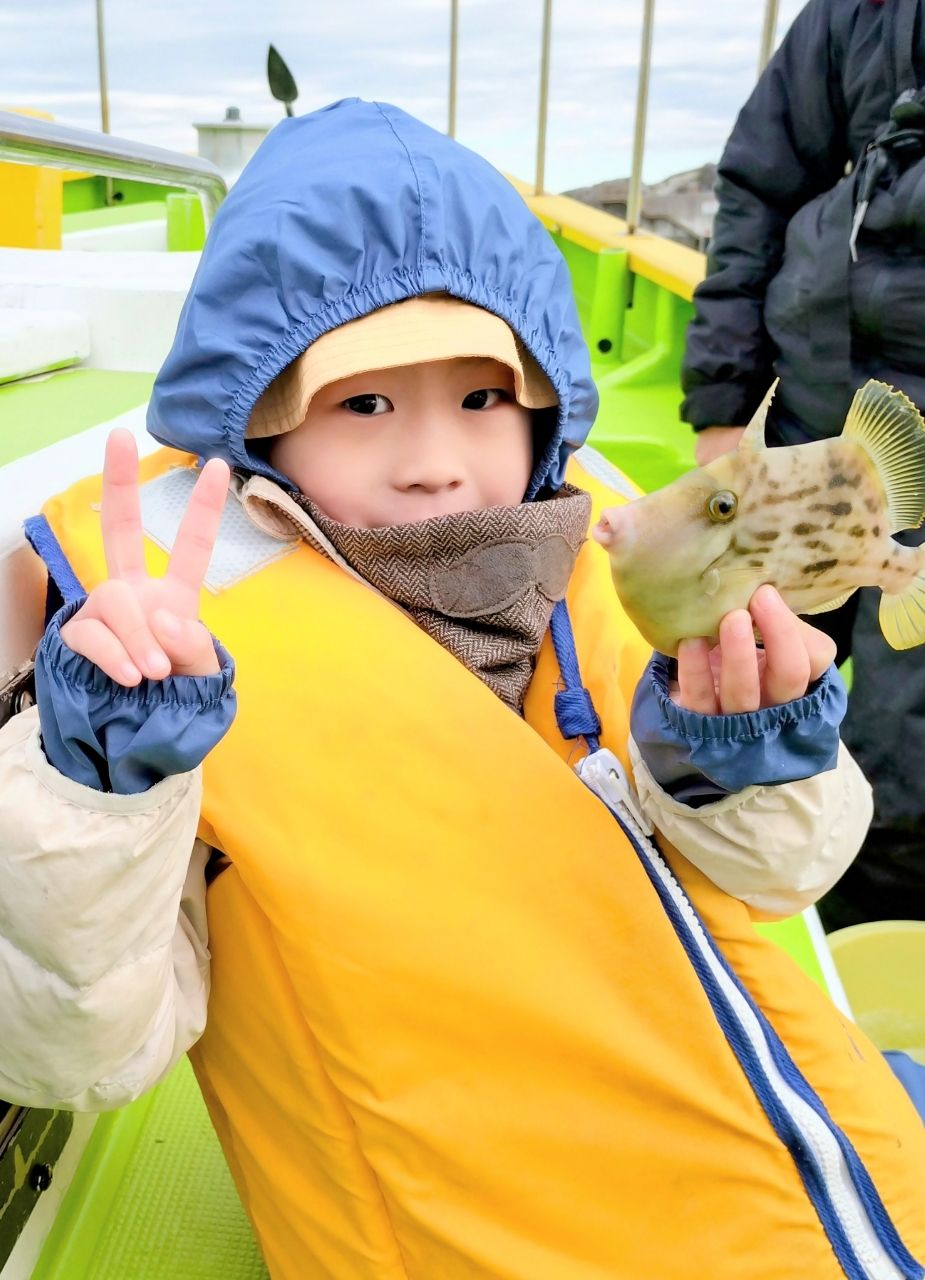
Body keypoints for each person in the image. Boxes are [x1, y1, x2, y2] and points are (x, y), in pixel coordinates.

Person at [0, 99, 923, 1279]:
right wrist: (102, 779)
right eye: (364, 402)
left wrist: (754, 751)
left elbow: (783, 873)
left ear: (542, 406)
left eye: (483, 397)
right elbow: (73, 1047)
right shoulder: (167, 664)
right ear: (259, 424)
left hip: (808, 1141)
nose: (436, 462)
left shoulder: (602, 554)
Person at [681, 0, 925, 928]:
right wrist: (722, 404)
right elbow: (756, 189)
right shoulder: (849, 16)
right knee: (743, 675)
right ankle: (740, 891)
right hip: (806, 423)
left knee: (905, 749)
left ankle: (857, 940)